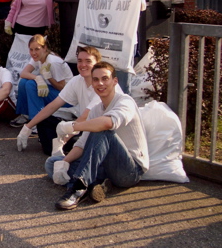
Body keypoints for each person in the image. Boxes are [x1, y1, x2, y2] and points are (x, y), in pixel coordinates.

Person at [46, 62, 149, 210]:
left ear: (115, 81)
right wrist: (64, 163)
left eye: (105, 78)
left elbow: (107, 124)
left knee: (102, 130)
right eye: (95, 79)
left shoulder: (125, 102)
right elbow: (82, 144)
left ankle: (78, 188)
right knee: (52, 163)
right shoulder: (96, 110)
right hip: (104, 165)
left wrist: (72, 126)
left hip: (129, 170)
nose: (100, 83)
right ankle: (96, 185)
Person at [17, 46, 116, 155]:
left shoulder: (101, 86)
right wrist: (28, 127)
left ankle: (68, 148)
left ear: (97, 63)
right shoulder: (77, 80)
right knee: (44, 121)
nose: (83, 65)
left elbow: (85, 116)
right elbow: (53, 105)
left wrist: (62, 141)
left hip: (99, 129)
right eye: (80, 61)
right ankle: (64, 148)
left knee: (73, 140)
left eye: (88, 61)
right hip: (81, 125)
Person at [98, 0, 146, 94]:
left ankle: (125, 111)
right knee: (104, 75)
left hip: (125, 38)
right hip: (105, 37)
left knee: (124, 80)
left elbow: (142, 7)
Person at [11, 34, 74, 129]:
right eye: (31, 49)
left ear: (44, 48)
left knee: (31, 85)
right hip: (55, 92)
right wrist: (38, 78)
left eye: (37, 49)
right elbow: (24, 73)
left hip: (66, 98)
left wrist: (48, 78)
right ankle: (25, 115)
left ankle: (37, 122)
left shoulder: (53, 62)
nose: (33, 53)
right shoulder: (37, 58)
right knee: (24, 82)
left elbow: (62, 88)